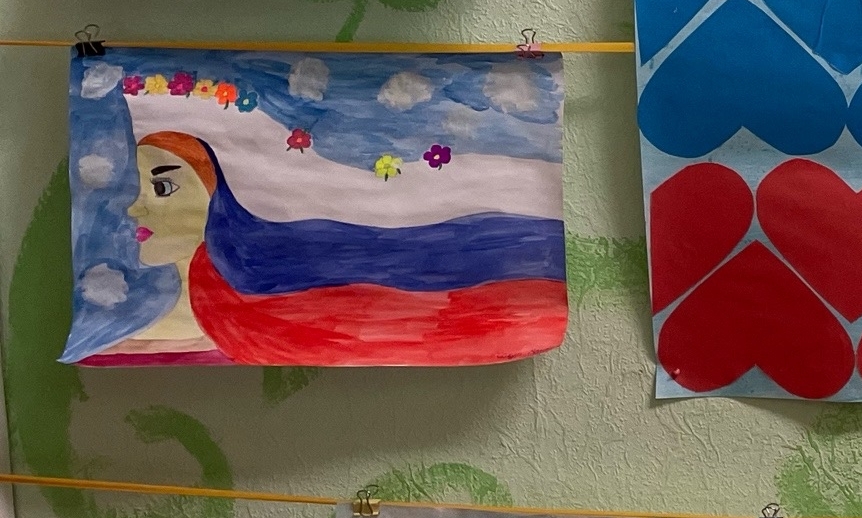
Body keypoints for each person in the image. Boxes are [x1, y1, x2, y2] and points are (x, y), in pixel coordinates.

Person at [116, 129, 567, 365]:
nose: (135, 208)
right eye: (131, 188)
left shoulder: (241, 302)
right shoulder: (202, 300)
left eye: (163, 187)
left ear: (216, 194)